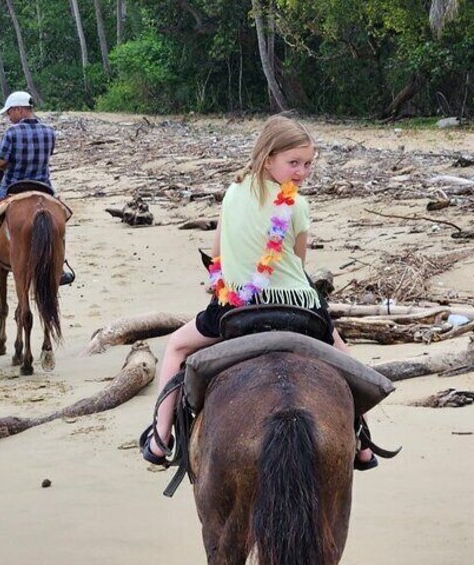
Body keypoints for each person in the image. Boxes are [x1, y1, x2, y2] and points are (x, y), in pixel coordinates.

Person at [140, 115, 376, 469]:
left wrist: (221, 277)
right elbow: (298, 260)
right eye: (294, 163)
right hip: (299, 304)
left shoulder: (233, 193)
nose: (302, 171)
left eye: (308, 164)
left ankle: (160, 439)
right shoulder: (297, 205)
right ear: (268, 159)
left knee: (176, 346)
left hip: (237, 303)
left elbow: (216, 251)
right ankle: (363, 443)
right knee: (347, 362)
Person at [0, 90, 71, 284]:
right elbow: (46, 156)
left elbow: (1, 163)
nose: (9, 117)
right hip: (43, 185)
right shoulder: (49, 132)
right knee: (60, 218)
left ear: (19, 109)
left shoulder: (12, 132)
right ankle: (59, 269)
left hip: (12, 184)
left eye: (9, 112)